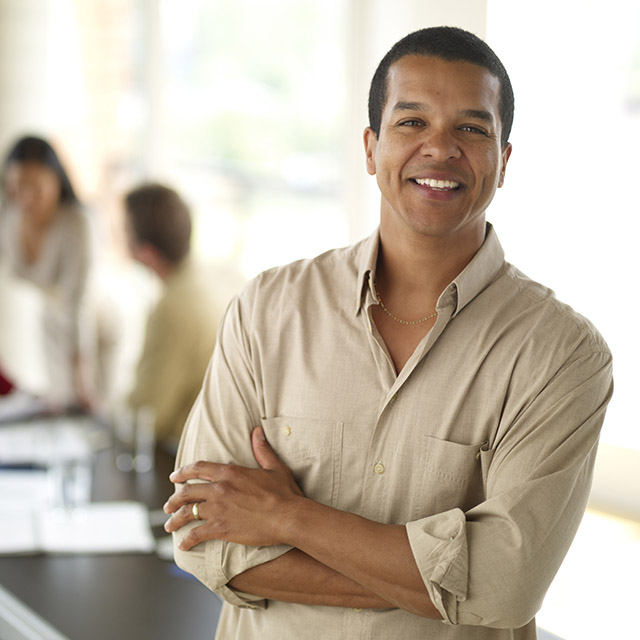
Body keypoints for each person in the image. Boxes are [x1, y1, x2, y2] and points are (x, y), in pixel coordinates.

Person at [163, 27, 613, 639]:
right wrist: (444, 586)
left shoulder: (561, 354)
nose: (440, 148)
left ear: (504, 162)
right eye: (412, 122)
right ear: (371, 149)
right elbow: (200, 540)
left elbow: (508, 586)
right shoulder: (268, 310)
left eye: (472, 129)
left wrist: (287, 518)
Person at [0, 135, 120, 411]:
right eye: (17, 188)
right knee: (57, 409)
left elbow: (78, 306)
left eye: (36, 188)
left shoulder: (78, 224)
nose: (26, 198)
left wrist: (82, 381)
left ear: (57, 181)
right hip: (54, 322)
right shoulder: (9, 218)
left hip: (95, 330)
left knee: (92, 411)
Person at [124, 183, 244, 453]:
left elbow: (147, 417)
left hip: (194, 458)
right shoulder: (224, 276)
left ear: (145, 251)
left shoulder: (172, 308)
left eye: (125, 231)